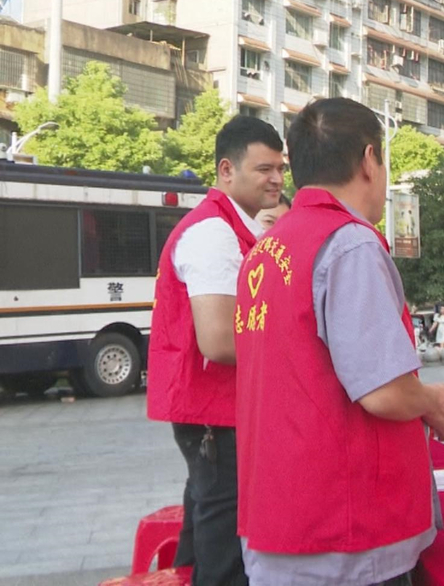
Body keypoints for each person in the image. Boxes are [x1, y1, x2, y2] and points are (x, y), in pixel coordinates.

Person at [232, 98, 444, 586]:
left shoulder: (267, 248)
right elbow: (384, 391)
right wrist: (433, 400)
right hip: (344, 531)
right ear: (369, 160)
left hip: (280, 513)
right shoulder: (349, 243)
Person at [147, 116, 286, 586]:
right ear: (227, 170)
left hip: (222, 409)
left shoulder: (236, 227)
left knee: (209, 516)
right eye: (263, 169)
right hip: (213, 412)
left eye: (281, 169)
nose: (276, 179)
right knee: (225, 536)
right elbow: (220, 340)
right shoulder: (212, 233)